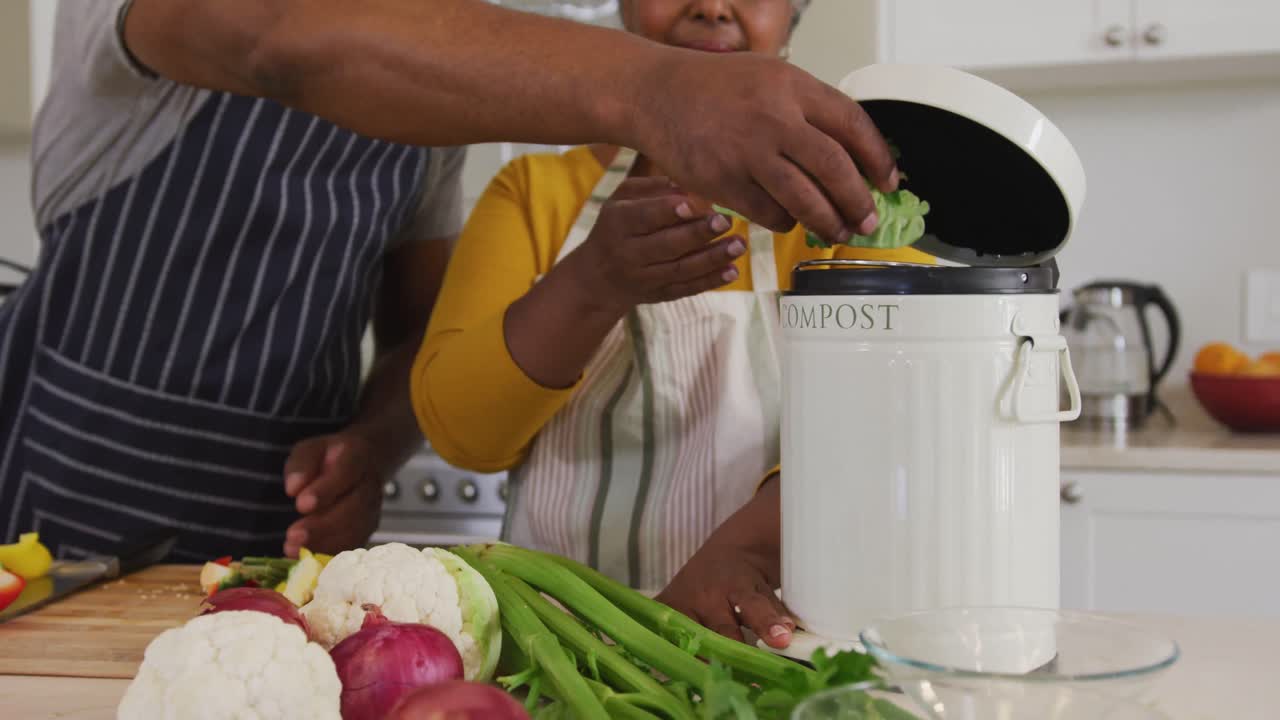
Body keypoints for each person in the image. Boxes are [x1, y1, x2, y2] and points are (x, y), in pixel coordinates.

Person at [0, 0, 900, 562]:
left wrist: (377, 442)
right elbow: (285, 38)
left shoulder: (426, 91)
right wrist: (662, 93)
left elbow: (414, 337)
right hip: (77, 503)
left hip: (287, 518)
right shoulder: (144, 11)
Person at [412, 0, 933, 648]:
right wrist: (592, 281)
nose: (713, 8)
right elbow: (463, 433)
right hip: (568, 655)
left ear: (796, 14)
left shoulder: (852, 208)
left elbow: (910, 412)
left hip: (786, 646)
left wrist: (751, 546)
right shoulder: (532, 193)